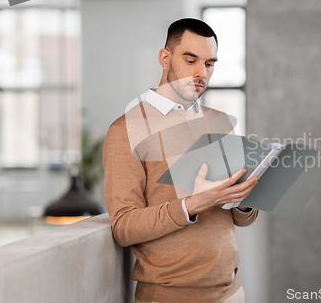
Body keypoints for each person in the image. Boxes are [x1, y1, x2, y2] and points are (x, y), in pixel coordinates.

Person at [103, 18, 259, 303]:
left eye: (210, 64)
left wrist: (244, 200)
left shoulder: (220, 122)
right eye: (191, 60)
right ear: (165, 58)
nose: (201, 73)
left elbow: (237, 218)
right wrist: (194, 203)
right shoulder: (125, 130)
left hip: (231, 293)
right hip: (167, 297)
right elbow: (124, 227)